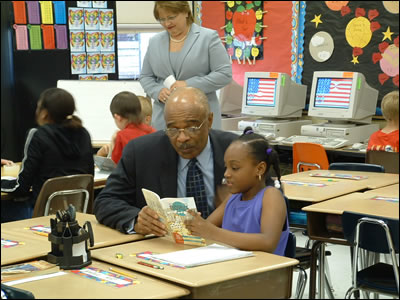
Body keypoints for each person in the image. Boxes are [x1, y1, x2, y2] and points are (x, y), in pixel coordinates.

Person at [94, 87, 238, 234]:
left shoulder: (235, 149)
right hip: (164, 247)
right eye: (173, 129)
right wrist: (137, 220)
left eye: (191, 128)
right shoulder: (142, 152)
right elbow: (105, 201)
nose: (182, 138)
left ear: (209, 120)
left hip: (229, 245)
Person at [184, 127, 289, 255]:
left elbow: (267, 242)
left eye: (235, 168)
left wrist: (212, 232)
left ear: (260, 169)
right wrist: (195, 224)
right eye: (226, 167)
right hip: (232, 267)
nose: (227, 174)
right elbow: (207, 227)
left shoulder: (271, 196)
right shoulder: (233, 197)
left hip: (263, 272)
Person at [1, 88, 94, 222]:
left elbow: (21, 188)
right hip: (76, 215)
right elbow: (89, 177)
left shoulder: (37, 135)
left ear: (44, 112)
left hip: (41, 216)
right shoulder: (83, 133)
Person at [139, 1, 232, 131]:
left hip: (199, 118)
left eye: (171, 17)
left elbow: (224, 74)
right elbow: (145, 76)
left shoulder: (208, 37)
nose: (167, 23)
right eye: (162, 19)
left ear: (186, 12)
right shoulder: (154, 42)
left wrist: (188, 85)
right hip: (164, 120)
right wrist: (157, 91)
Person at [96, 91, 156, 164]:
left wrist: (114, 144)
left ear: (117, 117)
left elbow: (116, 165)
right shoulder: (153, 132)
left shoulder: (121, 136)